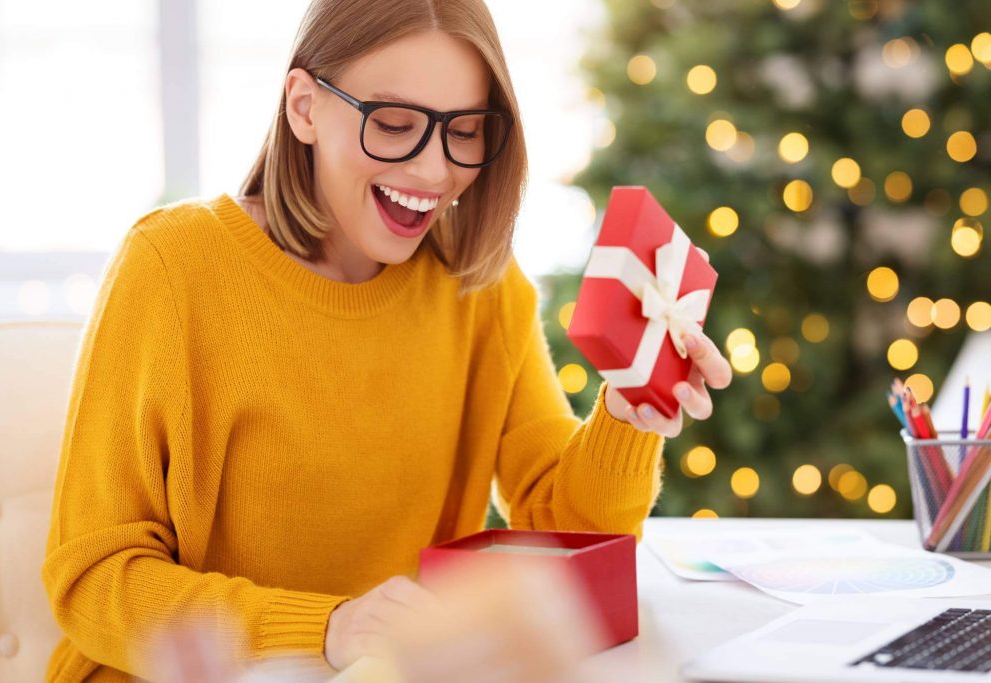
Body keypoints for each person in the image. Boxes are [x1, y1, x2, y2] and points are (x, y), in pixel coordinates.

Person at [41, 0, 732, 680]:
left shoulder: (477, 284)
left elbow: (566, 529)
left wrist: (627, 412)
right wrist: (329, 628)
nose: (435, 172)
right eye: (394, 124)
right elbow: (93, 576)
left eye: (464, 131)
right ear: (304, 107)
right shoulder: (172, 268)